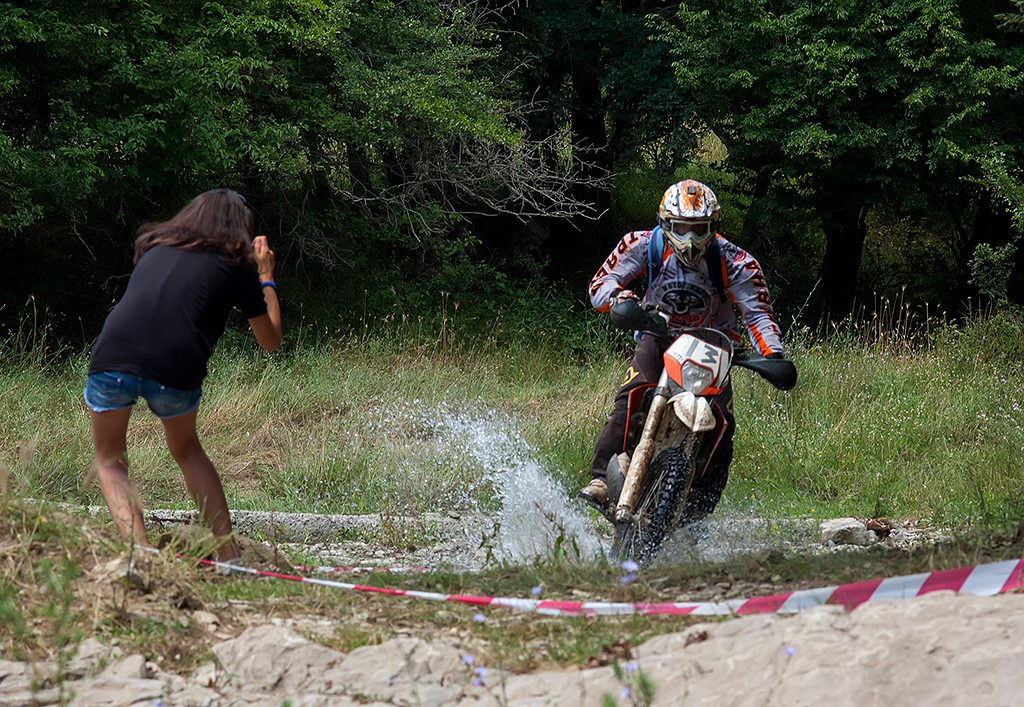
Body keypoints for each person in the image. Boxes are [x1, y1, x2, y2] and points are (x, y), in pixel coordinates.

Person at [84, 188, 282, 564]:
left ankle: (140, 557)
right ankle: (229, 559)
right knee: (188, 450)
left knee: (109, 461)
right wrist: (266, 276)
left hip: (113, 353)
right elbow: (270, 340)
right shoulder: (236, 264)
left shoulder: (156, 246)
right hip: (175, 364)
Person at [578, 179, 785, 521]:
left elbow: (758, 313)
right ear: (665, 224)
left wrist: (772, 354)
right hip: (658, 332)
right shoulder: (643, 244)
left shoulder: (735, 261)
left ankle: (699, 508)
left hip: (712, 344)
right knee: (631, 394)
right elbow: (600, 284)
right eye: (681, 228)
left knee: (723, 424)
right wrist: (620, 298)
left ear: (713, 227)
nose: (690, 239)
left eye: (699, 229)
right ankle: (601, 478)